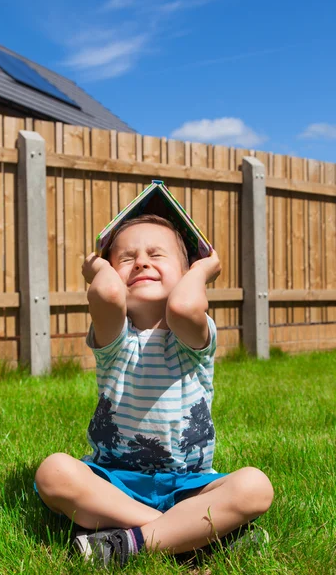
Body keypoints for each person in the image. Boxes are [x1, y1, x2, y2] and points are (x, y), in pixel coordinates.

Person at [35, 214, 274, 567]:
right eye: (126, 258)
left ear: (186, 272)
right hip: (113, 483)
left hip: (189, 485)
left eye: (156, 254)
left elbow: (183, 306)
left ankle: (128, 543)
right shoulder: (115, 339)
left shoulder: (192, 337)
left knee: (256, 486)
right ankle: (193, 539)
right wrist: (96, 270)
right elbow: (106, 293)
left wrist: (202, 269)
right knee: (52, 472)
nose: (142, 262)